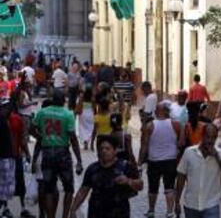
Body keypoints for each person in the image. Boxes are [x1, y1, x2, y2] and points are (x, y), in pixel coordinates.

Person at [30, 89, 83, 218]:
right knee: (69, 187)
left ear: (52, 99)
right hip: (62, 153)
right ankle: (65, 216)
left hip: (47, 152)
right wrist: (79, 160)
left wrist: (40, 137)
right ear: (63, 100)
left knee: (48, 188)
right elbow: (73, 138)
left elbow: (31, 128)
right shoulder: (68, 114)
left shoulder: (42, 112)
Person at [69, 135, 143, 218]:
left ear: (115, 151)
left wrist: (128, 181)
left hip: (119, 213)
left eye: (108, 149)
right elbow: (83, 191)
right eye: (101, 149)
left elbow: (140, 185)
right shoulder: (92, 169)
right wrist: (73, 209)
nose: (104, 151)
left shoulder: (125, 167)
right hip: (96, 212)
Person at [175, 124, 221, 218]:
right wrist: (177, 201)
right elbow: (181, 177)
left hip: (211, 205)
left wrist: (217, 157)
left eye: (214, 137)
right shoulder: (189, 152)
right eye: (208, 136)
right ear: (202, 136)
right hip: (191, 205)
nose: (210, 140)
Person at [138, 102, 182, 218]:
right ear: (167, 112)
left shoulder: (150, 126)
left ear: (157, 111)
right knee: (169, 187)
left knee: (153, 187)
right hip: (170, 160)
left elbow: (144, 145)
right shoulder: (176, 125)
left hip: (154, 160)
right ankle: (169, 211)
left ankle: (151, 210)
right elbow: (181, 143)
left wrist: (140, 162)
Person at [8, 108, 35, 218]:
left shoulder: (17, 120)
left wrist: (27, 153)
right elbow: (22, 140)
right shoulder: (17, 119)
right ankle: (17, 208)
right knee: (14, 183)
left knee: (15, 183)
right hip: (12, 155)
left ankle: (20, 208)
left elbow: (22, 140)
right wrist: (27, 153)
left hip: (14, 155)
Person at [0, 100, 15, 218]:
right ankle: (3, 209)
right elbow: (12, 103)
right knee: (5, 186)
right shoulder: (2, 118)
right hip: (5, 157)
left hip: (6, 156)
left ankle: (4, 208)